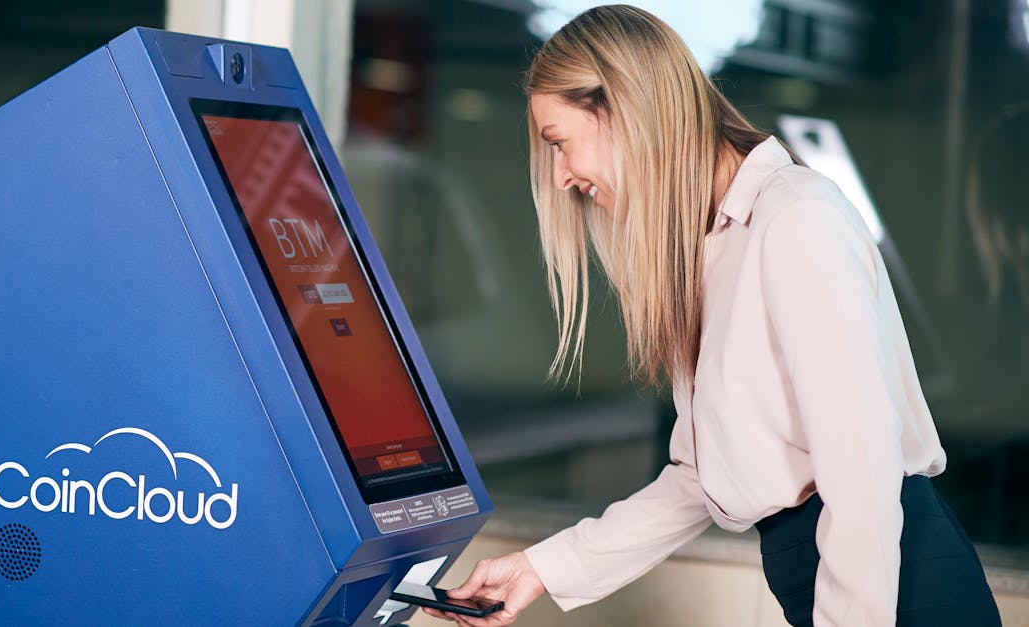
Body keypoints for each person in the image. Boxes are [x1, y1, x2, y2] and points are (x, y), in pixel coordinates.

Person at [423, 5, 1002, 627]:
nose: (561, 176)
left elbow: (861, 481)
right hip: (832, 572)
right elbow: (703, 478)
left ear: (624, 110)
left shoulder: (794, 220)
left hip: (897, 587)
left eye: (560, 143)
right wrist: (542, 568)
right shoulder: (712, 246)